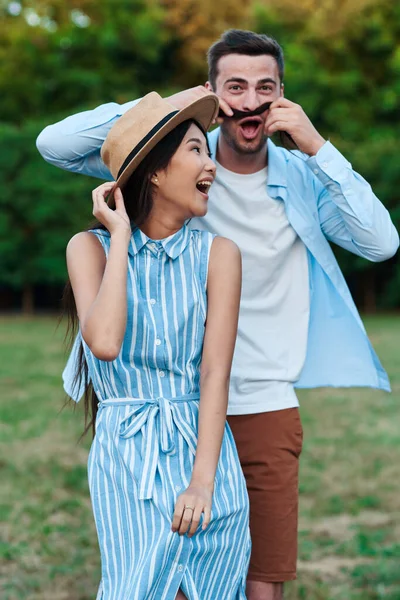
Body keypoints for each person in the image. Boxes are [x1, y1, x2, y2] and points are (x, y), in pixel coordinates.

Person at [37, 29, 399, 600]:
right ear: (214, 94)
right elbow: (55, 144)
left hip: (260, 404)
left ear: (282, 96)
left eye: (265, 88)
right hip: (160, 416)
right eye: (235, 88)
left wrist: (317, 145)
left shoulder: (302, 178)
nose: (250, 100)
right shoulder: (179, 156)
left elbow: (380, 243)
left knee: (255, 584)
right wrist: (174, 108)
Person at [61, 91, 250, 600]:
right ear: (154, 171)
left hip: (205, 453)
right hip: (128, 458)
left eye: (208, 151)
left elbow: (214, 374)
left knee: (212, 588)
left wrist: (203, 483)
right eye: (196, 150)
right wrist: (120, 236)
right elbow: (103, 342)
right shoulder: (90, 249)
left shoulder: (220, 255)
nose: (211, 165)